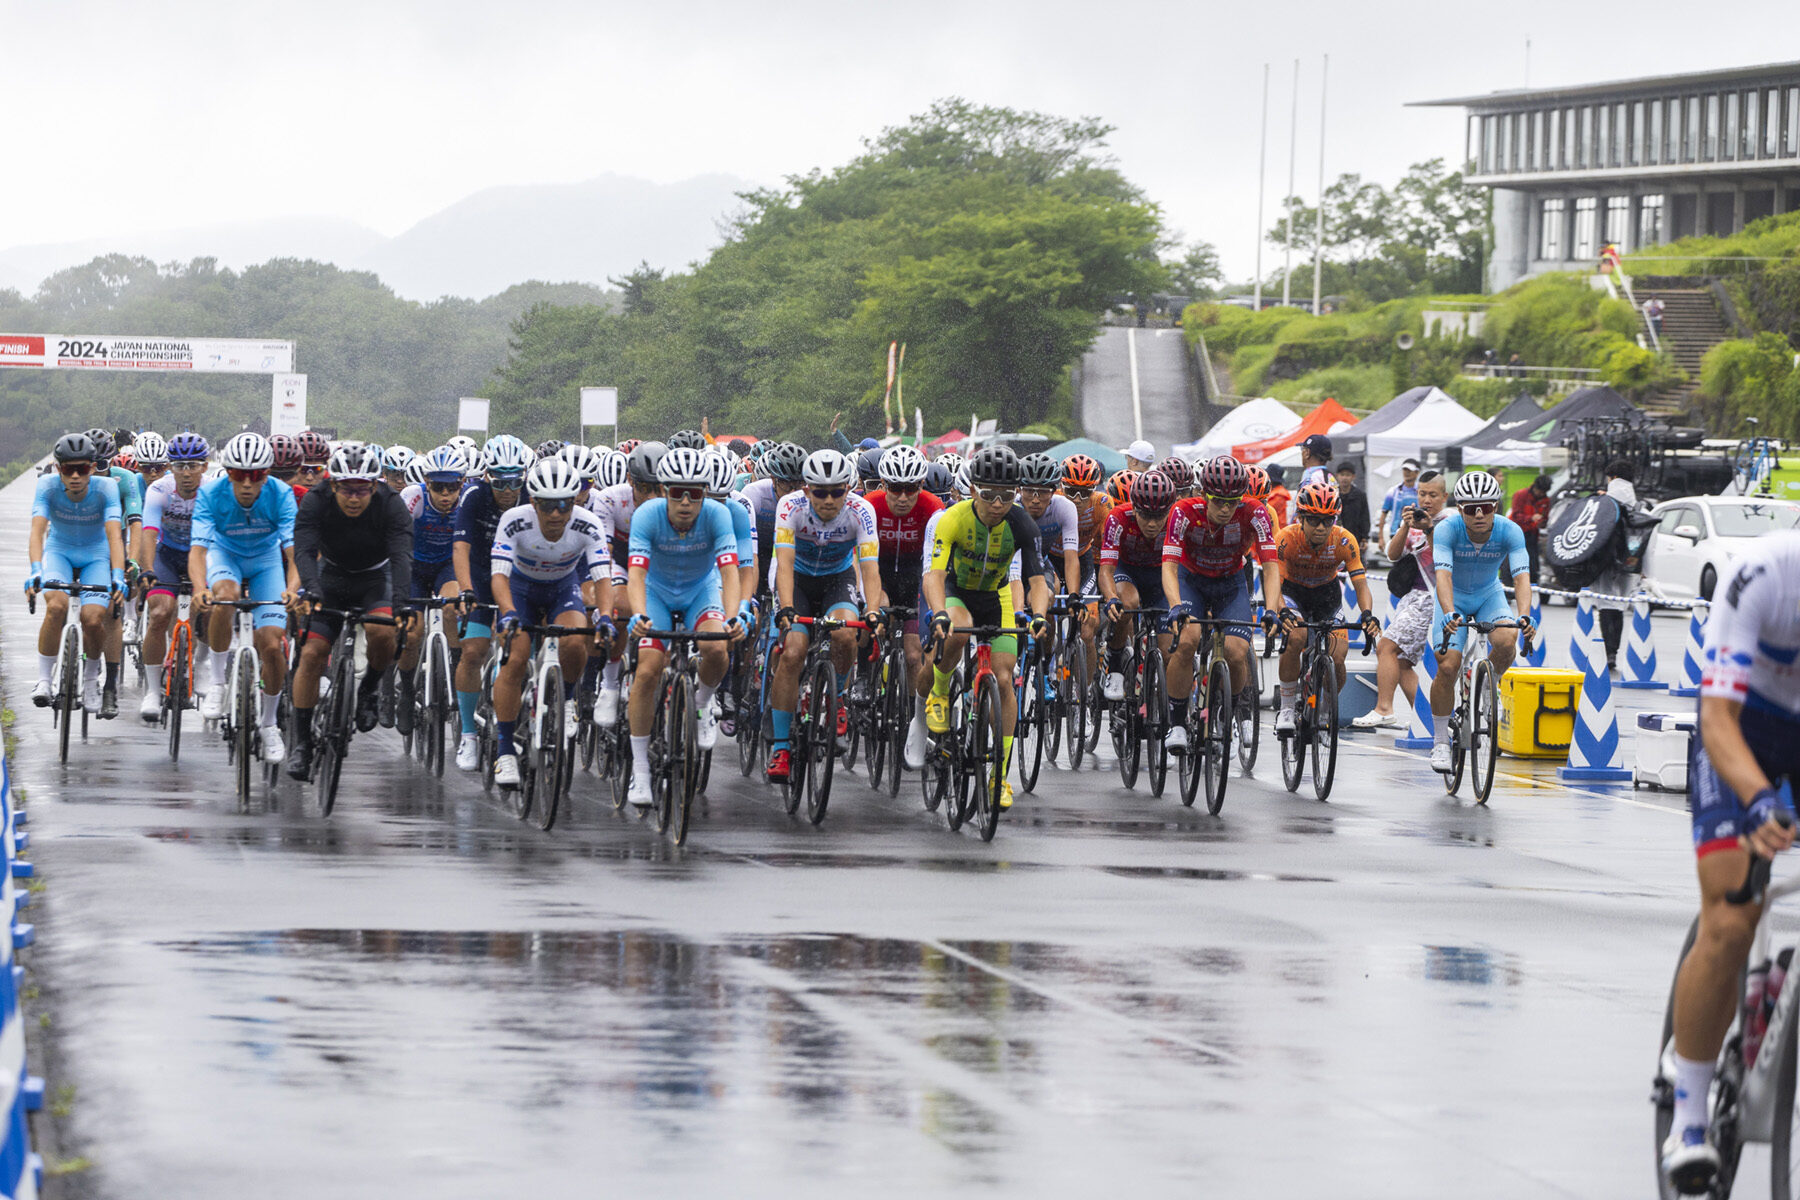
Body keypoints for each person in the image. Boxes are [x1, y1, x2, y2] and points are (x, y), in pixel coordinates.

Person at [1660, 532, 1800, 1194]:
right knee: (1732, 913)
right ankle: (1688, 1115)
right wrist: (1757, 802)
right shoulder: (1764, 572)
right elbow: (1716, 718)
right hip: (1745, 727)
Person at [922, 445, 1051, 809]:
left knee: (1005, 680)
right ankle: (941, 691)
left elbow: (1036, 580)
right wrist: (938, 613)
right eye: (988, 494)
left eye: (1007, 496)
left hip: (996, 598)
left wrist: (1039, 614)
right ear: (973, 490)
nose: (997, 504)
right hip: (956, 591)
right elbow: (934, 576)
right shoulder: (953, 519)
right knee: (958, 628)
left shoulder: (1022, 523)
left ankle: (999, 776)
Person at [285, 444, 416, 778]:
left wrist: (401, 602)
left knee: (384, 631)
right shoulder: (316, 500)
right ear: (333, 485)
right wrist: (311, 588)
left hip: (376, 577)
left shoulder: (391, 505)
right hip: (331, 578)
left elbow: (402, 556)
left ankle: (369, 689)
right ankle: (301, 742)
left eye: (362, 489)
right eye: (346, 489)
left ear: (374, 486)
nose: (354, 498)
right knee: (312, 653)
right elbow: (304, 549)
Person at [622, 448, 740, 808]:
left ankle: (702, 704)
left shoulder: (718, 516)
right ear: (663, 490)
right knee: (647, 672)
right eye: (677, 492)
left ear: (706, 493)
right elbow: (637, 574)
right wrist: (639, 615)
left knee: (717, 648)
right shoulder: (647, 515)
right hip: (655, 594)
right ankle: (640, 771)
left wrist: (733, 617)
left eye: (696, 493)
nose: (686, 502)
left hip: (698, 593)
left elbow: (729, 572)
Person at [488, 456, 613, 789]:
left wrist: (605, 618)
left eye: (564, 505)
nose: (557, 514)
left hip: (561, 586)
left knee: (576, 640)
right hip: (520, 589)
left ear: (574, 501)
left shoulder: (587, 523)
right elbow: (499, 575)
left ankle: (567, 696)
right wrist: (508, 612)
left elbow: (603, 578)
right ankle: (504, 753)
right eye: (548, 506)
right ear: (533, 502)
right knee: (515, 659)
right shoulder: (514, 520)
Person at [766, 450, 880, 782]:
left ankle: (838, 698)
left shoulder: (862, 511)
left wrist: (872, 611)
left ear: (848, 488)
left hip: (837, 579)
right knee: (793, 653)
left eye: (836, 492)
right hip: (797, 581)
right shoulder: (790, 507)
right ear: (806, 490)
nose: (828, 500)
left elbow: (870, 571)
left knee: (846, 634)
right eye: (820, 492)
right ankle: (782, 747)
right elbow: (784, 564)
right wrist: (786, 608)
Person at [188, 433, 300, 764]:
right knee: (225, 595)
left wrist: (293, 589)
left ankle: (269, 724)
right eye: (239, 475)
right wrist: (198, 589)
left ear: (267, 474)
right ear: (227, 473)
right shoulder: (210, 493)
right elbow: (198, 551)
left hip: (266, 561)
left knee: (271, 642)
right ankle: (219, 681)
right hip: (226, 555)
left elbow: (295, 554)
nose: (248, 483)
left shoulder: (282, 495)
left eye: (257, 476)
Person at [1162, 456, 1282, 752]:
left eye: (1233, 501)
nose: (1227, 508)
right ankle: (1177, 723)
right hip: (1192, 581)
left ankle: (1229, 708)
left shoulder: (1256, 513)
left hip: (1230, 583)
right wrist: (1175, 604)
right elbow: (1168, 564)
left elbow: (1270, 567)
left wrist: (1271, 609)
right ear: (1204, 494)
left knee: (1236, 651)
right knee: (1187, 642)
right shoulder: (1183, 511)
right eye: (1219, 501)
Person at [1427, 471, 1534, 773]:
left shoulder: (1510, 531)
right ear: (1459, 509)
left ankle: (1489, 684)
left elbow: (1522, 577)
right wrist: (1449, 611)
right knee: (1447, 665)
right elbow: (1443, 576)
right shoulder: (1447, 529)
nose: (1478, 514)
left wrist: (1524, 614)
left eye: (1485, 507)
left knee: (1506, 639)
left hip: (1489, 595)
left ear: (1496, 506)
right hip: (1454, 597)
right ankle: (1438, 743)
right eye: (1470, 508)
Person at [25, 433, 126, 713]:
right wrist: (35, 570)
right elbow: (37, 531)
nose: (75, 476)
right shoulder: (46, 486)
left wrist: (118, 575)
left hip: (96, 554)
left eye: (82, 469)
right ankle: (44, 680)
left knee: (93, 619)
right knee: (55, 606)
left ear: (93, 468)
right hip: (60, 551)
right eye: (68, 469)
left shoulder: (106, 488)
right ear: (58, 469)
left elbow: (115, 537)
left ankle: (92, 680)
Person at [450, 435, 534, 770]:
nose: (508, 490)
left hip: (518, 579)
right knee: (472, 651)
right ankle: (468, 734)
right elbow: (461, 549)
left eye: (515, 481)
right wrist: (466, 590)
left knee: (516, 652)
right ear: (486, 476)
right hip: (482, 578)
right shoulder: (473, 497)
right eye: (499, 481)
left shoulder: (533, 496)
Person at [1273, 482, 1381, 731]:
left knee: (1338, 657)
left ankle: (1323, 706)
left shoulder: (1344, 539)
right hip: (1293, 595)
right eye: (1313, 520)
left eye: (1327, 520)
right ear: (1301, 517)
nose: (1321, 527)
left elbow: (1361, 584)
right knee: (1296, 637)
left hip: (1327, 597)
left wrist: (1366, 614)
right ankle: (1287, 708)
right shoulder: (1286, 539)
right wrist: (1282, 611)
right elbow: (1274, 586)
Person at [1353, 469, 1448, 729]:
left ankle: (1384, 708)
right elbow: (1393, 555)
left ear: (1444, 496)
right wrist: (1406, 525)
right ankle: (1427, 717)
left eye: (1433, 495)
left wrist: (1428, 527)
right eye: (1422, 493)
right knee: (1402, 662)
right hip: (1412, 598)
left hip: (1432, 597)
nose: (1426, 500)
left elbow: (1444, 555)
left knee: (1386, 646)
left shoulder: (1449, 521)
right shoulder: (1414, 521)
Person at [393, 444, 471, 735]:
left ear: (461, 483)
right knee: (412, 633)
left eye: (452, 486)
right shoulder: (412, 498)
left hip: (446, 568)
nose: (446, 495)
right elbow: (397, 539)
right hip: (413, 568)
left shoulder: (466, 502)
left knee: (453, 606)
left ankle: (453, 670)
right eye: (439, 487)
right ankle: (406, 694)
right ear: (427, 483)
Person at [136, 432, 209, 720]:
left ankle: (200, 664)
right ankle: (153, 691)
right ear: (171, 467)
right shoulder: (159, 489)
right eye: (179, 466)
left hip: (201, 554)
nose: (186, 472)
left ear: (204, 466)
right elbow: (149, 533)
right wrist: (147, 569)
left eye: (193, 465)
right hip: (167, 555)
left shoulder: (212, 491)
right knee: (159, 614)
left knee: (207, 610)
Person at [1596, 459, 1644, 673]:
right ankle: (1614, 650)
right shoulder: (1636, 502)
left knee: (1606, 603)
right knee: (1620, 605)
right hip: (1629, 557)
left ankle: (1608, 651)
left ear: (1613, 477)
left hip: (1607, 557)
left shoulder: (1607, 500)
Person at [1508, 474, 1553, 585]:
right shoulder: (1521, 495)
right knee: (1512, 563)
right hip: (1517, 533)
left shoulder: (1545, 500)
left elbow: (1545, 518)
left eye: (1544, 493)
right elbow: (1516, 515)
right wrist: (1531, 518)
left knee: (1532, 565)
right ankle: (1509, 589)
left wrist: (1542, 523)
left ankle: (1531, 588)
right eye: (1540, 492)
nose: (1541, 495)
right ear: (1535, 487)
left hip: (1532, 535)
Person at [1378, 459, 1422, 543]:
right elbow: (1384, 513)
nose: (1406, 472)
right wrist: (1380, 538)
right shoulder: (1393, 491)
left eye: (1409, 470)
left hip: (1417, 534)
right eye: (1405, 469)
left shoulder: (1422, 491)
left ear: (1417, 472)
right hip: (1395, 533)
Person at [1334, 461, 1371, 556]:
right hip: (1335, 539)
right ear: (1337, 476)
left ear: (1353, 477)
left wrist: (1364, 538)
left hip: (1355, 538)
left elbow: (1365, 517)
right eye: (1342, 475)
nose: (1344, 478)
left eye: (1348, 475)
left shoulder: (1360, 495)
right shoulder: (1333, 495)